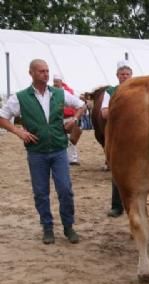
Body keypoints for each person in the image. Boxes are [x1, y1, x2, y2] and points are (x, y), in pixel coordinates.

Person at [0, 59, 85, 244]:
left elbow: (82, 105)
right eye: (41, 71)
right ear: (31, 73)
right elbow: (2, 117)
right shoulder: (20, 97)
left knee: (65, 189)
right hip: (36, 152)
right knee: (41, 192)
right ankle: (47, 228)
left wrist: (75, 119)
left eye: (47, 71)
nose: (45, 74)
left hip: (59, 149)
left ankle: (68, 226)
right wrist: (18, 131)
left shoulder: (59, 93)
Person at [101, 60, 133, 217]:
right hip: (118, 136)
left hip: (136, 136)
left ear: (131, 75)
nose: (125, 77)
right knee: (117, 171)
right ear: (117, 76)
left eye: (127, 74)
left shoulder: (138, 90)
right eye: (122, 74)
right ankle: (117, 206)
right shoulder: (111, 92)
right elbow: (104, 113)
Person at [53, 74, 81, 165]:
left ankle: (73, 158)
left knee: (71, 139)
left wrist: (75, 118)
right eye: (54, 81)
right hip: (58, 118)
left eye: (57, 81)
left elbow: (78, 104)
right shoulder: (51, 92)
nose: (55, 83)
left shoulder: (69, 92)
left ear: (61, 82)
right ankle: (63, 157)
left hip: (69, 118)